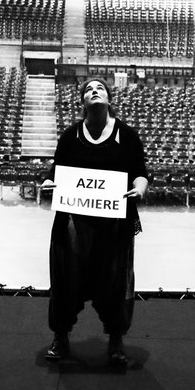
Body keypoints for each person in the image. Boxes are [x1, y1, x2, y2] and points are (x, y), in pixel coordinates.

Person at [40, 77, 149, 366]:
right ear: (83, 102)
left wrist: (139, 189)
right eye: (88, 89)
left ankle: (115, 341)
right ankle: (61, 337)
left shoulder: (127, 135)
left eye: (99, 88)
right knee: (65, 281)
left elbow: (140, 172)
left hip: (114, 225)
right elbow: (56, 171)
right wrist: (49, 183)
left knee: (115, 283)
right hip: (75, 224)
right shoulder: (69, 136)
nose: (94, 91)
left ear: (109, 98)